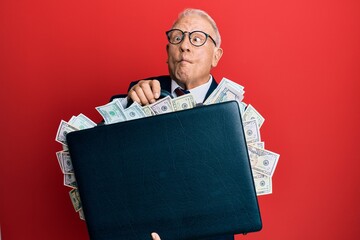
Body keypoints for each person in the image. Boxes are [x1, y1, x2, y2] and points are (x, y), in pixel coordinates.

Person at [116, 8, 233, 240]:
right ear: (168, 50)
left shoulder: (232, 112)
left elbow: (235, 196)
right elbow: (102, 163)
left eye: (197, 38)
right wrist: (128, 106)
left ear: (216, 56)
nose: (185, 46)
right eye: (177, 38)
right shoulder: (137, 95)